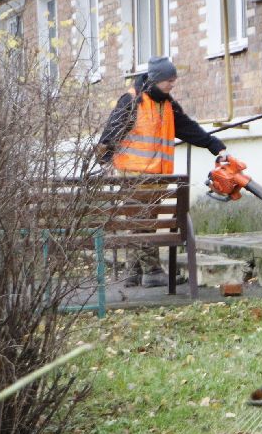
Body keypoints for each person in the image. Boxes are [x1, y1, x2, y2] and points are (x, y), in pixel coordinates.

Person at [96, 56, 231, 287]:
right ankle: (153, 271)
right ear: (155, 80)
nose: (172, 84)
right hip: (134, 175)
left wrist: (213, 145)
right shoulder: (132, 101)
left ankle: (132, 273)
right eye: (169, 80)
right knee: (142, 224)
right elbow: (109, 135)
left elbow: (188, 128)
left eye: (174, 79)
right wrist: (105, 161)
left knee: (141, 223)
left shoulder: (167, 104)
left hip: (157, 176)